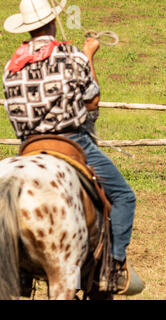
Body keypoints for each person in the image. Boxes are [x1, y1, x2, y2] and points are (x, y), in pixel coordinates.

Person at [2, 0, 143, 294]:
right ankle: (113, 269)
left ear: (25, 29)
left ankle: (22, 269)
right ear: (52, 22)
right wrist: (89, 55)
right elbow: (92, 99)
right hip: (71, 140)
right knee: (124, 196)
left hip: (28, 146)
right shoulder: (71, 54)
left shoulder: (11, 65)